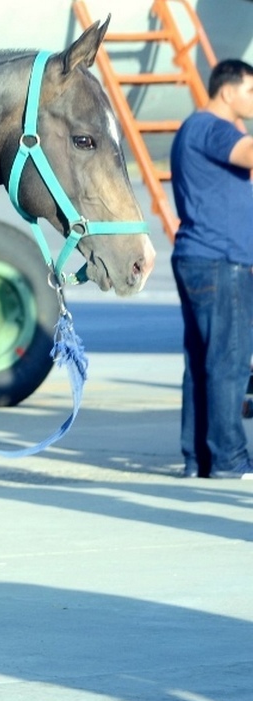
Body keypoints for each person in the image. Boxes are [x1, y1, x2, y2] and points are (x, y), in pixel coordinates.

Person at [169, 58, 253, 480]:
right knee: (229, 362)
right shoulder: (213, 127)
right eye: (251, 92)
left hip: (202, 255)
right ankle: (229, 459)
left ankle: (197, 457)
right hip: (221, 260)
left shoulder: (196, 128)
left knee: (204, 362)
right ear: (227, 91)